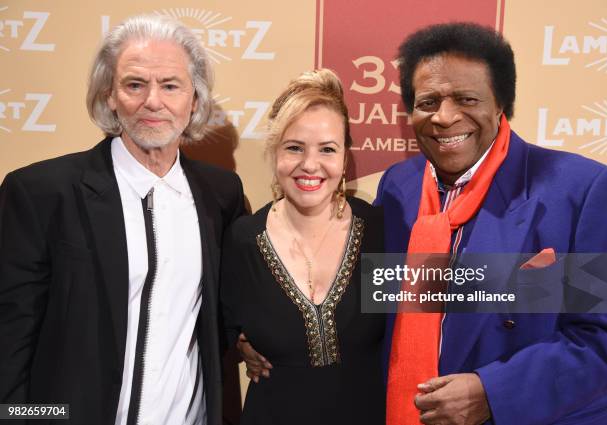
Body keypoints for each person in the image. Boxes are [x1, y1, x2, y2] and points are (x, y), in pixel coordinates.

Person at [0, 14, 244, 425]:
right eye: (135, 84)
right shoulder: (40, 193)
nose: (153, 101)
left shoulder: (221, 194)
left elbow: (229, 310)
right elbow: (10, 339)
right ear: (110, 95)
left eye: (170, 86)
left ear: (194, 100)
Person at [377, 23, 607, 425]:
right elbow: (378, 301)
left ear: (501, 103)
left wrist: (494, 392)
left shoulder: (581, 189)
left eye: (466, 99)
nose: (445, 117)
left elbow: (601, 339)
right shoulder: (398, 187)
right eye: (428, 101)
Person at [220, 69, 386, 425]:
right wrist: (241, 344)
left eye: (327, 149)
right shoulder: (242, 240)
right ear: (274, 152)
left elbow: (440, 310)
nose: (310, 165)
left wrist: (535, 282)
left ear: (344, 158)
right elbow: (217, 328)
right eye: (294, 147)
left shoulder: (377, 230)